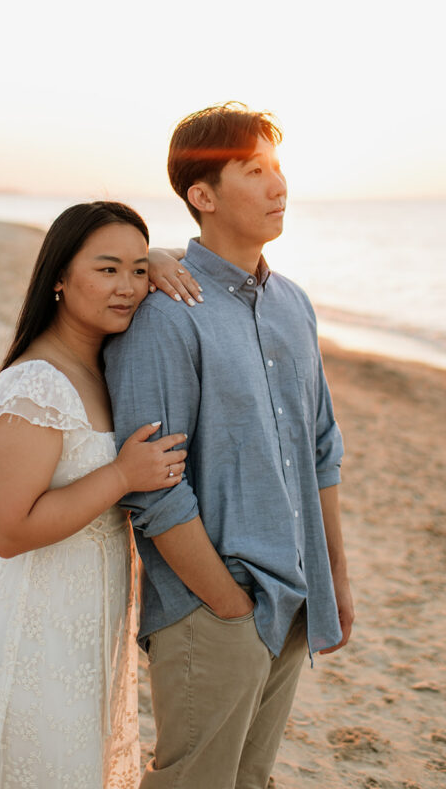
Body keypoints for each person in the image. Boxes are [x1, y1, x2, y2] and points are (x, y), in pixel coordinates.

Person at [104, 103, 355, 789]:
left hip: (295, 598)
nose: (279, 187)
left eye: (278, 169)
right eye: (255, 171)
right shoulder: (162, 316)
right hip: (213, 609)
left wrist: (333, 575)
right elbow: (152, 488)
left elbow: (322, 447)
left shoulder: (294, 304)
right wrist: (227, 606)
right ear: (203, 195)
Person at [0, 201, 191, 789]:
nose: (127, 288)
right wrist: (123, 477)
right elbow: (7, 531)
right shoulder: (35, 384)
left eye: (135, 272)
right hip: (34, 629)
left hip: (89, 624)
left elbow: (196, 260)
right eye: (106, 270)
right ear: (58, 277)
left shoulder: (101, 363)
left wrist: (152, 258)